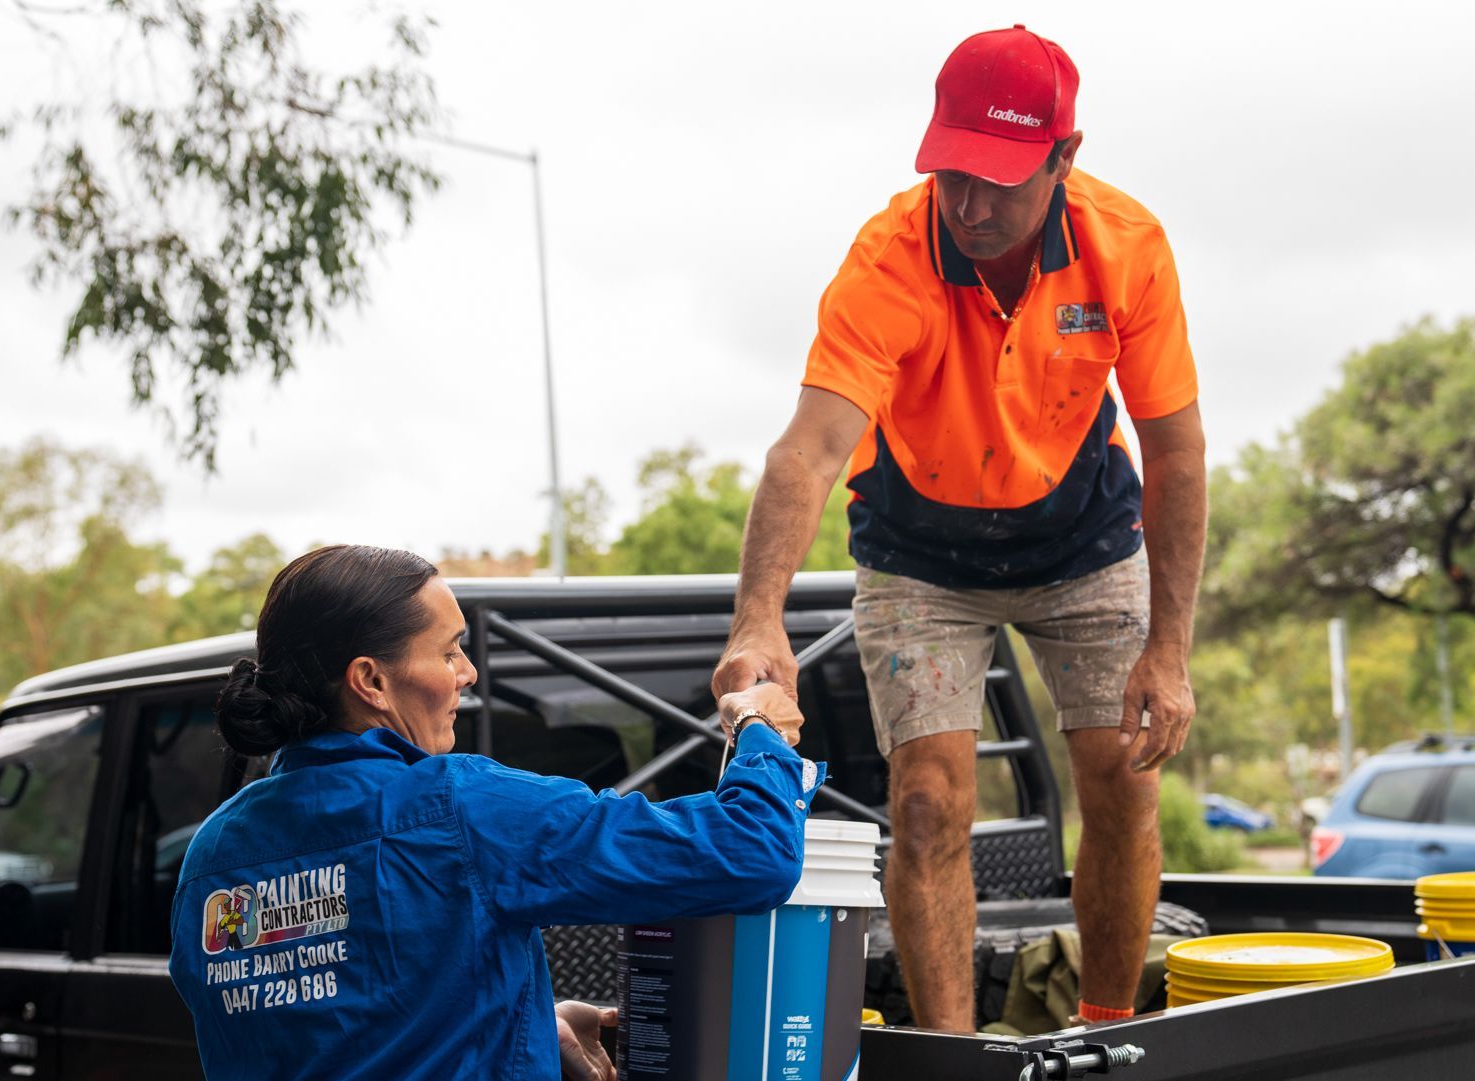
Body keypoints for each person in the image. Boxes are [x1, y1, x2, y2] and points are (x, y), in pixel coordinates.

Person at [713, 26, 1208, 1032]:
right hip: (920, 553)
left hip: (1082, 543)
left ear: (1063, 159)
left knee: (1120, 774)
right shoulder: (888, 259)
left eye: (998, 180)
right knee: (930, 803)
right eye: (950, 173)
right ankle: (953, 1058)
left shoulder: (1127, 247)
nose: (969, 204)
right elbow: (805, 453)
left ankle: (1105, 1032)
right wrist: (758, 619)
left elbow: (1177, 452)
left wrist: (1170, 646)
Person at [170, 545, 820, 1080]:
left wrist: (529, 1023)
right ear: (370, 680)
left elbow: (344, 1023)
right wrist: (759, 725)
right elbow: (751, 851)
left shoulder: (213, 854)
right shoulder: (457, 807)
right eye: (449, 649)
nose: (469, 671)